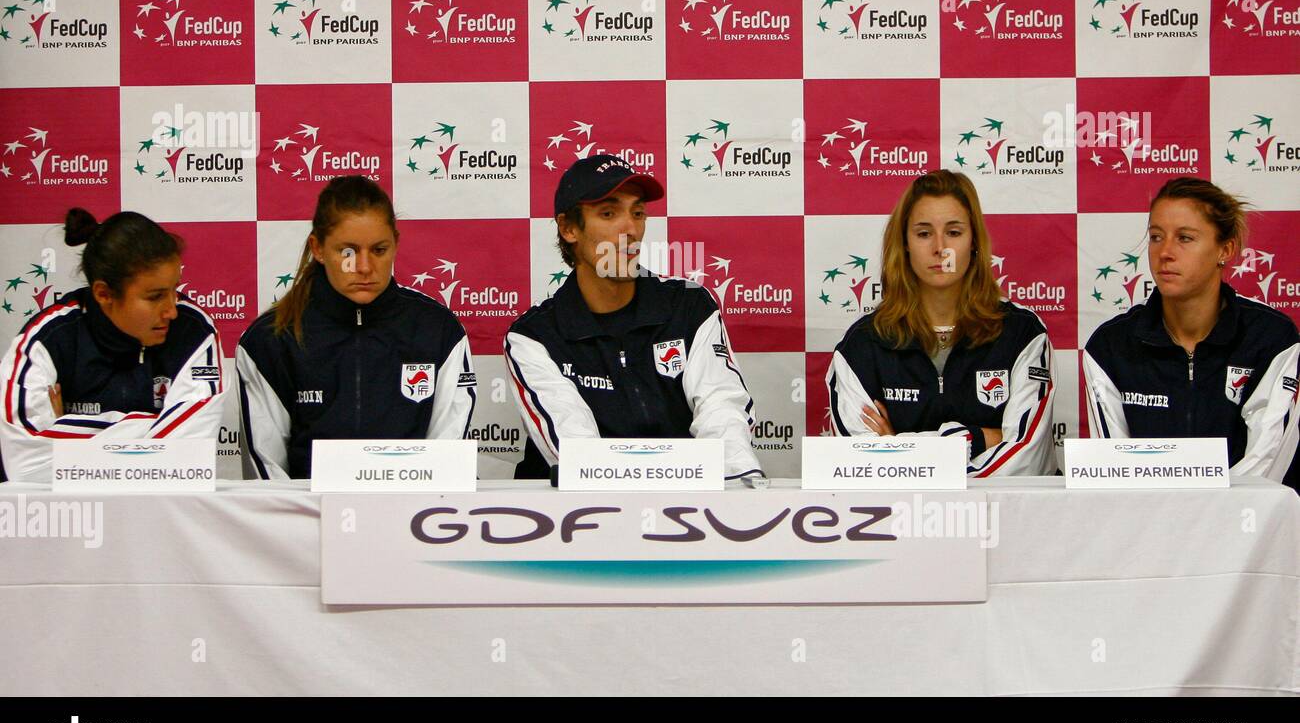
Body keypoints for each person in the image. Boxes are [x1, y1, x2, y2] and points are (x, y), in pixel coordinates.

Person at [505, 155, 763, 483]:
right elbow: (575, 447)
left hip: (684, 507)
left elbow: (722, 411)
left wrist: (735, 490)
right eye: (609, 213)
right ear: (569, 228)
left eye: (637, 212)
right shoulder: (534, 336)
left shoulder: (688, 306)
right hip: (573, 519)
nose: (631, 228)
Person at [236, 176, 475, 479]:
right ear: (318, 248)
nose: (363, 267)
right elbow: (267, 477)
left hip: (413, 518)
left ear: (396, 245)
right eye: (347, 252)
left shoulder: (438, 330)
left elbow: (447, 458)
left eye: (378, 250)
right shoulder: (270, 339)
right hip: (310, 520)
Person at [826, 169, 1056, 476]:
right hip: (901, 520)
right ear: (904, 244)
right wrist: (982, 438)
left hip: (1008, 519)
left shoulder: (1022, 335)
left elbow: (1024, 461)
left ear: (974, 241)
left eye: (954, 232)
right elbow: (862, 467)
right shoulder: (863, 345)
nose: (940, 248)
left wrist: (901, 446)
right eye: (923, 233)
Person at [1084, 178, 1299, 490]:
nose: (1165, 252)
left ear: (1225, 249)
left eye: (1185, 238)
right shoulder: (1110, 347)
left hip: (1250, 528)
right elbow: (1115, 472)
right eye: (1156, 237)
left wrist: (1198, 523)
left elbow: (1265, 469)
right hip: (1150, 528)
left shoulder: (1271, 339)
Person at [0, 209, 227, 483]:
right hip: (73, 521)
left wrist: (66, 431)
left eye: (174, 290)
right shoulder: (47, 339)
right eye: (155, 297)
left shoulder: (194, 331)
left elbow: (188, 458)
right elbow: (27, 470)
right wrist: (152, 430)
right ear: (104, 294)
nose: (172, 311)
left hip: (161, 519)